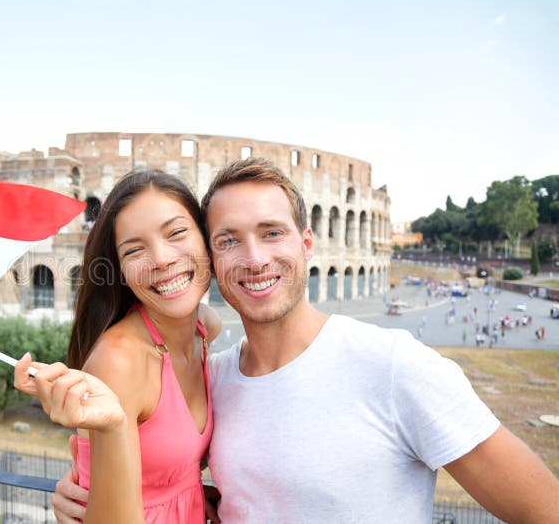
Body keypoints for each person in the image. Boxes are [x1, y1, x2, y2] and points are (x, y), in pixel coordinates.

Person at [50, 158, 559, 523]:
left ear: (307, 241)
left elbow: (543, 509)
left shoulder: (394, 366)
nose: (253, 258)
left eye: (272, 232)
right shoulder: (214, 374)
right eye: (228, 240)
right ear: (211, 253)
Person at [14, 170, 221, 524]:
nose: (161, 259)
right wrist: (107, 432)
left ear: (205, 239)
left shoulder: (205, 327)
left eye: (176, 233)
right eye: (134, 249)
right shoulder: (118, 362)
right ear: (121, 271)